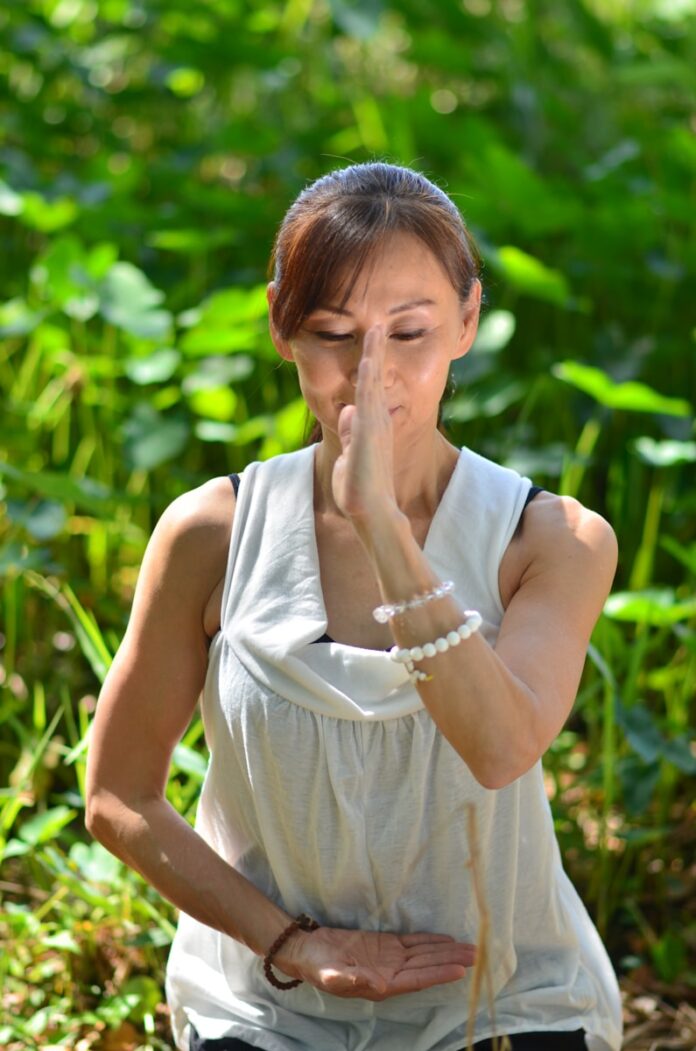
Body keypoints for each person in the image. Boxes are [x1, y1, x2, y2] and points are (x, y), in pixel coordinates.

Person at [85, 162, 623, 1051]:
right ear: (280, 328)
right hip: (269, 1003)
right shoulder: (212, 532)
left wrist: (383, 526)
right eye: (334, 332)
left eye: (409, 331)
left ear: (468, 322)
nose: (370, 375)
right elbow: (118, 794)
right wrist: (291, 944)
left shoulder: (552, 539)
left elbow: (500, 747)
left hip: (508, 998)